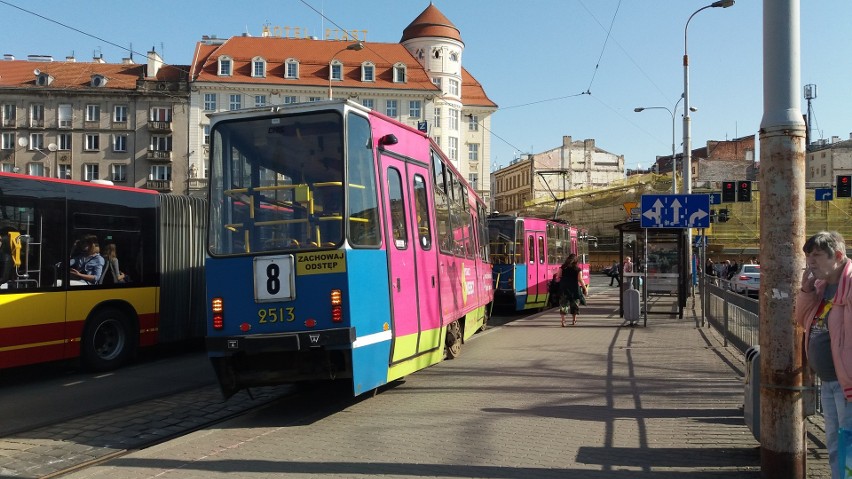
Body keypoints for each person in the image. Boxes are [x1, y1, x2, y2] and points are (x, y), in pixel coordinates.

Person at [796, 231, 852, 479]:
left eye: (817, 256)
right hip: (828, 381)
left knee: (848, 440)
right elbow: (802, 320)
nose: (811, 262)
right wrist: (806, 291)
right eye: (808, 256)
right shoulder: (820, 287)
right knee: (835, 439)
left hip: (847, 383)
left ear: (838, 256)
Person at [557, 253, 587, 327]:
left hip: (564, 288)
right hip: (574, 289)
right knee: (574, 304)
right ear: (576, 261)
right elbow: (580, 279)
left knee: (563, 305)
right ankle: (574, 320)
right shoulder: (577, 269)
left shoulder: (562, 267)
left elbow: (558, 276)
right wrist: (585, 288)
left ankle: (563, 321)